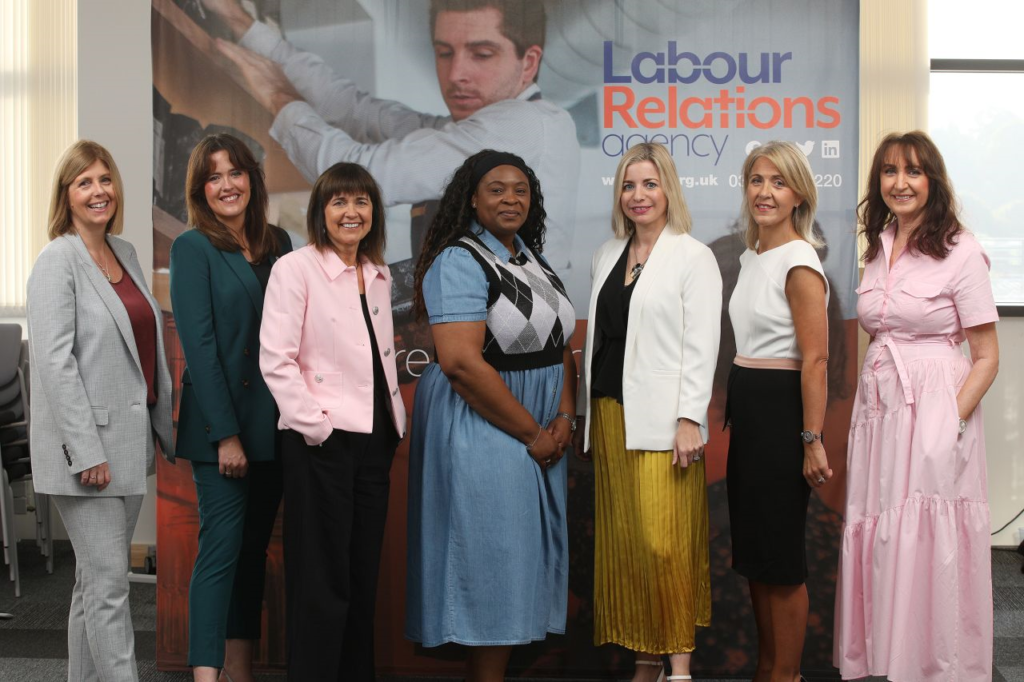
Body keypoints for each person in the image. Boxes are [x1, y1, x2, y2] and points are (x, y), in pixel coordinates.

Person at [199, 0, 579, 267]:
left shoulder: (523, 126)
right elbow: (354, 109)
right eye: (444, 52)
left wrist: (277, 96)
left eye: (481, 54)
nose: (456, 74)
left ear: (528, 62)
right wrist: (240, 21)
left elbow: (360, 177)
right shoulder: (478, 129)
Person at [405, 150, 577, 681]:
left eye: (520, 190)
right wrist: (533, 434)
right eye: (496, 189)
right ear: (472, 199)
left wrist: (565, 416)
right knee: (493, 556)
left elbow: (558, 344)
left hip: (539, 422)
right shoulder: (459, 260)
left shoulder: (529, 257)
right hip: (485, 420)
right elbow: (460, 364)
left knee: (518, 560)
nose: (510, 199)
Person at [834, 132, 999, 682]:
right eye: (889, 171)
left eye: (912, 172)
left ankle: (939, 668)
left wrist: (948, 421)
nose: (899, 183)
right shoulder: (877, 245)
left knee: (930, 536)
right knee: (884, 531)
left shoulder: (961, 249)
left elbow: (987, 357)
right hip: (880, 410)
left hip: (934, 407)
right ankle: (890, 659)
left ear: (933, 181)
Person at [572, 142, 722, 681]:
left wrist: (689, 418)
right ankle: (645, 661)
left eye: (650, 184)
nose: (638, 195)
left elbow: (702, 345)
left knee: (665, 545)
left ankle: (678, 668)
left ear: (669, 190)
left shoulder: (693, 256)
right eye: (629, 185)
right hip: (610, 415)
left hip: (665, 422)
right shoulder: (606, 254)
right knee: (628, 544)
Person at [27, 140, 175, 681]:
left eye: (105, 179)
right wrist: (85, 450)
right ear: (65, 194)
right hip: (89, 454)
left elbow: (142, 346)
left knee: (93, 584)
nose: (98, 191)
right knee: (110, 586)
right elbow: (54, 363)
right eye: (84, 182)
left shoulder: (125, 253)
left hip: (129, 445)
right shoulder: (57, 260)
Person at [259, 162, 406, 681]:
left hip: (375, 438)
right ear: (321, 212)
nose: (351, 212)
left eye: (361, 201)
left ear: (374, 212)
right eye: (339, 201)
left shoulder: (378, 273)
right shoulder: (295, 269)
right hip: (320, 441)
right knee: (321, 579)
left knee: (362, 571)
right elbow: (276, 359)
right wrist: (316, 427)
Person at [169, 133, 293, 682]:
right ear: (200, 189)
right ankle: (205, 675)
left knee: (251, 553)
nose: (226, 185)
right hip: (223, 426)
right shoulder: (192, 247)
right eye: (213, 176)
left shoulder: (279, 242)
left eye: (235, 172)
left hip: (275, 423)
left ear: (252, 179)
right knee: (220, 551)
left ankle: (239, 671)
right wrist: (226, 435)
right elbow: (199, 348)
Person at [724, 141, 830, 682]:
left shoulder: (799, 261)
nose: (765, 192)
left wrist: (811, 439)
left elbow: (816, 359)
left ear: (799, 195)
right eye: (757, 180)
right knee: (758, 555)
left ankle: (786, 675)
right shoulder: (752, 258)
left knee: (782, 560)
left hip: (781, 416)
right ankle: (768, 671)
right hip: (749, 411)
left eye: (779, 182)